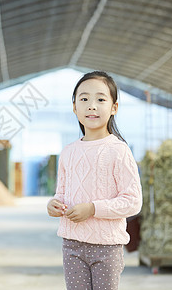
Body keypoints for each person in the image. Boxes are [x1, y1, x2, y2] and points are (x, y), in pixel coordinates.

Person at [47, 71, 142, 290]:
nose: (92, 105)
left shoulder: (119, 151)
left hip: (107, 247)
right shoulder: (68, 152)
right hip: (71, 245)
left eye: (100, 99)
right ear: (74, 107)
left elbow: (132, 201)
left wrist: (92, 209)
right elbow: (61, 194)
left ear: (114, 108)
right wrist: (54, 204)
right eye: (84, 99)